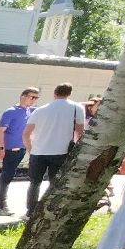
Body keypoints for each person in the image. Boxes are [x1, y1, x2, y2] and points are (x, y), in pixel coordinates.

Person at [23, 83, 85, 215]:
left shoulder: (40, 110)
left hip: (38, 151)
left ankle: (31, 210)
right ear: (69, 94)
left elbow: (26, 133)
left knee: (35, 182)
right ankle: (51, 209)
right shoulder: (76, 108)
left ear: (54, 93)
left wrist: (30, 149)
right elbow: (80, 132)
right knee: (55, 183)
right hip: (61, 151)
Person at [0, 88, 39, 216]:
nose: (33, 100)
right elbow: (0, 131)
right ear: (23, 96)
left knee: (8, 177)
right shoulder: (10, 112)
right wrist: (1, 149)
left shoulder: (29, 111)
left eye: (36, 98)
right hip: (11, 149)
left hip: (21, 149)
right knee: (6, 177)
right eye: (32, 97)